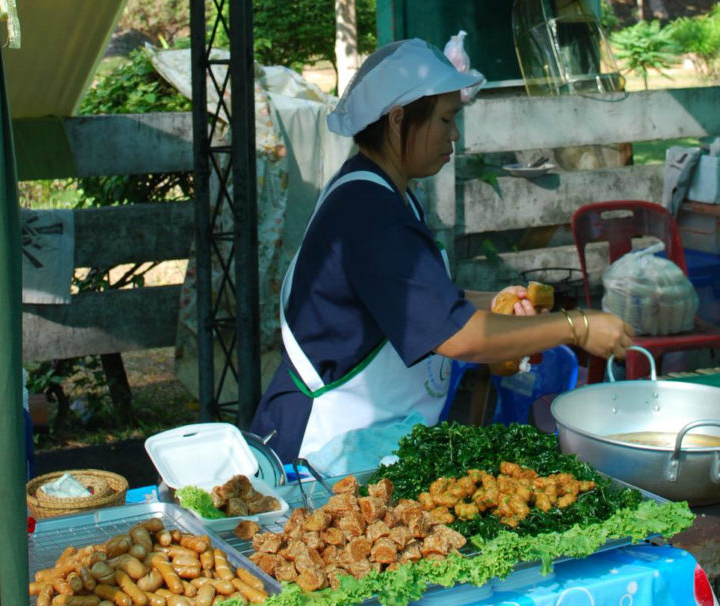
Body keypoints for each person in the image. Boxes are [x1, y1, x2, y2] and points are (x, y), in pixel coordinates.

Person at [251, 38, 633, 465]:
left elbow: (418, 301)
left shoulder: (385, 192)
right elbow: (459, 336)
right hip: (320, 456)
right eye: (447, 118)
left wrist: (500, 302)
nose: (454, 133)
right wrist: (577, 326)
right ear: (398, 120)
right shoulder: (370, 212)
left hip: (366, 447)